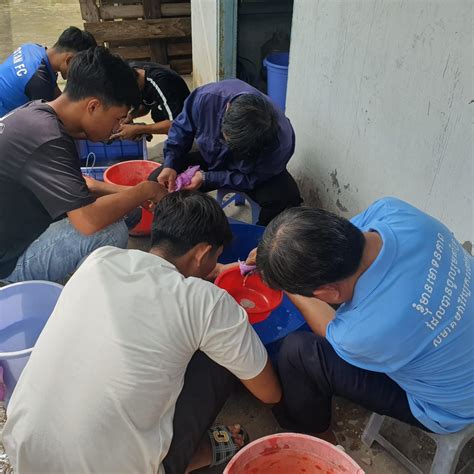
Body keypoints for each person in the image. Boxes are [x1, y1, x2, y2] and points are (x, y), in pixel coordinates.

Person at [2, 191, 282, 474]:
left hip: (26, 453)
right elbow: (270, 393)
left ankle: (181, 454)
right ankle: (178, 459)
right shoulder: (208, 303)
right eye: (215, 257)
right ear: (201, 253)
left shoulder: (100, 260)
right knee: (220, 361)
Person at [254, 197, 473, 439]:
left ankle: (310, 433)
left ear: (328, 293)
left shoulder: (361, 334)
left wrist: (288, 287)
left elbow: (330, 330)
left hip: (453, 408)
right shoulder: (393, 212)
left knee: (299, 352)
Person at [0, 47, 167, 283]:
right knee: (109, 231)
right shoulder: (49, 138)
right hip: (10, 260)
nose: (118, 128)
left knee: (128, 209)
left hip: (22, 225)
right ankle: (83, 296)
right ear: (93, 106)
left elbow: (83, 186)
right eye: (118, 118)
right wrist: (145, 190)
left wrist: (136, 196)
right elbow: (88, 221)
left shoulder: (39, 112)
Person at [149, 78, 302, 226]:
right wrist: (171, 163)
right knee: (158, 182)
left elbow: (254, 178)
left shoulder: (281, 143)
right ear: (228, 107)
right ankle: (186, 228)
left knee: (286, 200)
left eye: (240, 148)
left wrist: (207, 178)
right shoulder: (206, 99)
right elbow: (181, 129)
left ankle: (259, 244)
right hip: (211, 156)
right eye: (226, 138)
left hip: (250, 173)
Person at [0, 26, 97, 116]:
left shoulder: (31, 48)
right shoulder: (39, 81)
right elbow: (53, 120)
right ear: (69, 60)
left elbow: (57, 97)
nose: (78, 73)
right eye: (79, 67)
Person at [110, 61, 191, 141]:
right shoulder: (133, 73)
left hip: (187, 117)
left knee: (159, 115)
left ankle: (182, 142)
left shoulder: (161, 81)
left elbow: (175, 124)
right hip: (168, 103)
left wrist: (139, 129)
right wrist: (130, 116)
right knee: (156, 113)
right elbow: (146, 106)